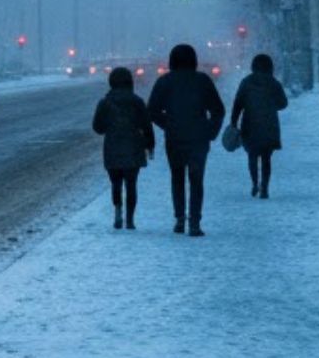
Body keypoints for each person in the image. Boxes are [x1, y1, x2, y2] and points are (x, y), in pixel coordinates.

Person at [147, 43, 226, 237]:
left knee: (177, 177)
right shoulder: (202, 81)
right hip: (198, 137)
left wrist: (168, 124)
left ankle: (180, 219)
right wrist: (210, 131)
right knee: (197, 179)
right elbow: (218, 110)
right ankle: (195, 222)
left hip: (175, 138)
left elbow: (152, 110)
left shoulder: (165, 81)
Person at [92, 66, 153, 230]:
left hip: (112, 147)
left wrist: (108, 127)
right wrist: (150, 144)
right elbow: (147, 125)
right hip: (134, 147)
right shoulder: (137, 101)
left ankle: (118, 211)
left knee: (116, 182)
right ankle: (130, 219)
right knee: (131, 184)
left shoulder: (105, 103)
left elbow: (97, 127)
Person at [231, 53, 289, 199]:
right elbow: (283, 103)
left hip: (250, 124)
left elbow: (238, 103)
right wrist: (271, 106)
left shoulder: (246, 82)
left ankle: (254, 183)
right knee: (266, 158)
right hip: (269, 125)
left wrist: (234, 122)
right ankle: (265, 187)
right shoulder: (273, 83)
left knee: (252, 155)